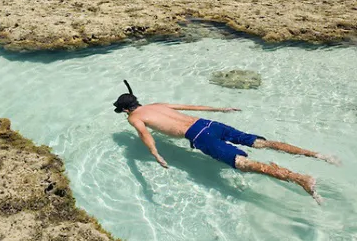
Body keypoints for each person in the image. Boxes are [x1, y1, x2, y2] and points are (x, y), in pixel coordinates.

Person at [113, 82, 338, 204]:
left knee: (242, 163)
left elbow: (145, 135)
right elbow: (191, 107)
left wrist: (155, 153)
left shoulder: (134, 117)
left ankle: (302, 179)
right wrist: (221, 109)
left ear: (125, 110)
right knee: (261, 143)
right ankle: (317, 155)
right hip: (209, 123)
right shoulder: (157, 104)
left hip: (200, 137)